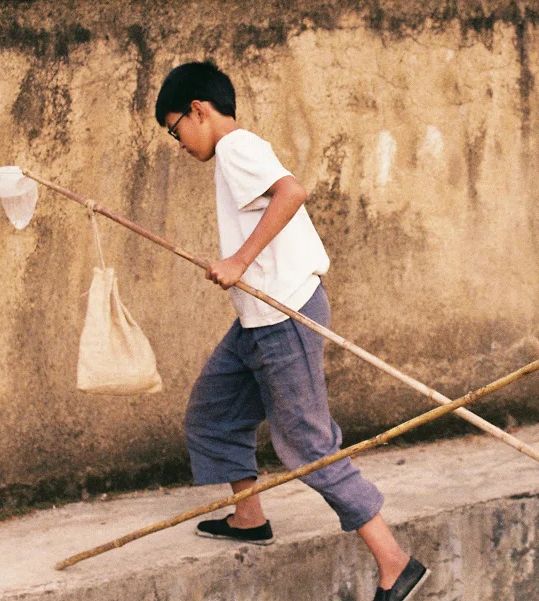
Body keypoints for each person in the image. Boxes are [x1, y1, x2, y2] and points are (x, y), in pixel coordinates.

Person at [154, 61, 427, 601]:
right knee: (213, 414)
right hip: (257, 319)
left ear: (198, 111)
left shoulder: (236, 147)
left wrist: (238, 260)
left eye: (174, 128)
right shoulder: (230, 156)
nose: (177, 141)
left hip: (285, 316)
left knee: (307, 444)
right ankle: (248, 517)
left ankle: (395, 561)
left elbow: (292, 192)